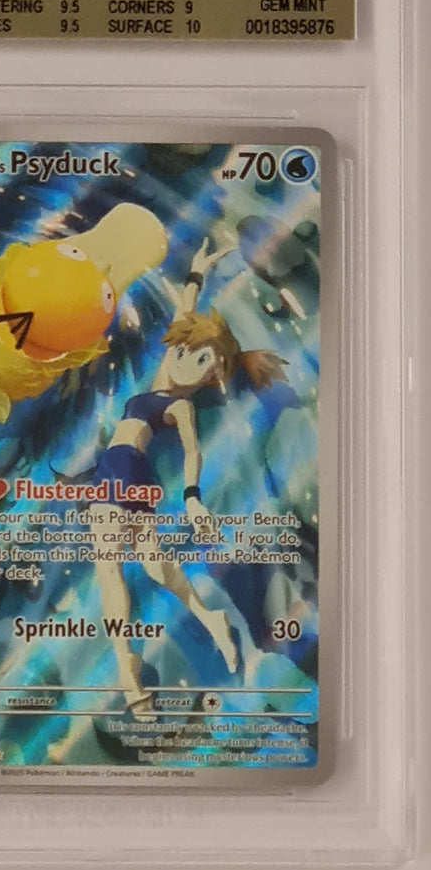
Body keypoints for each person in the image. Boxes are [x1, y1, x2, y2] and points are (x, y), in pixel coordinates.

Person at [90, 238, 287, 714]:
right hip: (128, 477)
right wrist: (197, 272)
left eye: (205, 363)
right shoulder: (162, 384)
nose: (188, 360)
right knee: (154, 566)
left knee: (109, 572)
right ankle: (210, 618)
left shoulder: (179, 405)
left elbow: (192, 452)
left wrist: (194, 498)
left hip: (120, 472)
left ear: (211, 377)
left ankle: (127, 672)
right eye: (190, 350)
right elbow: (184, 313)